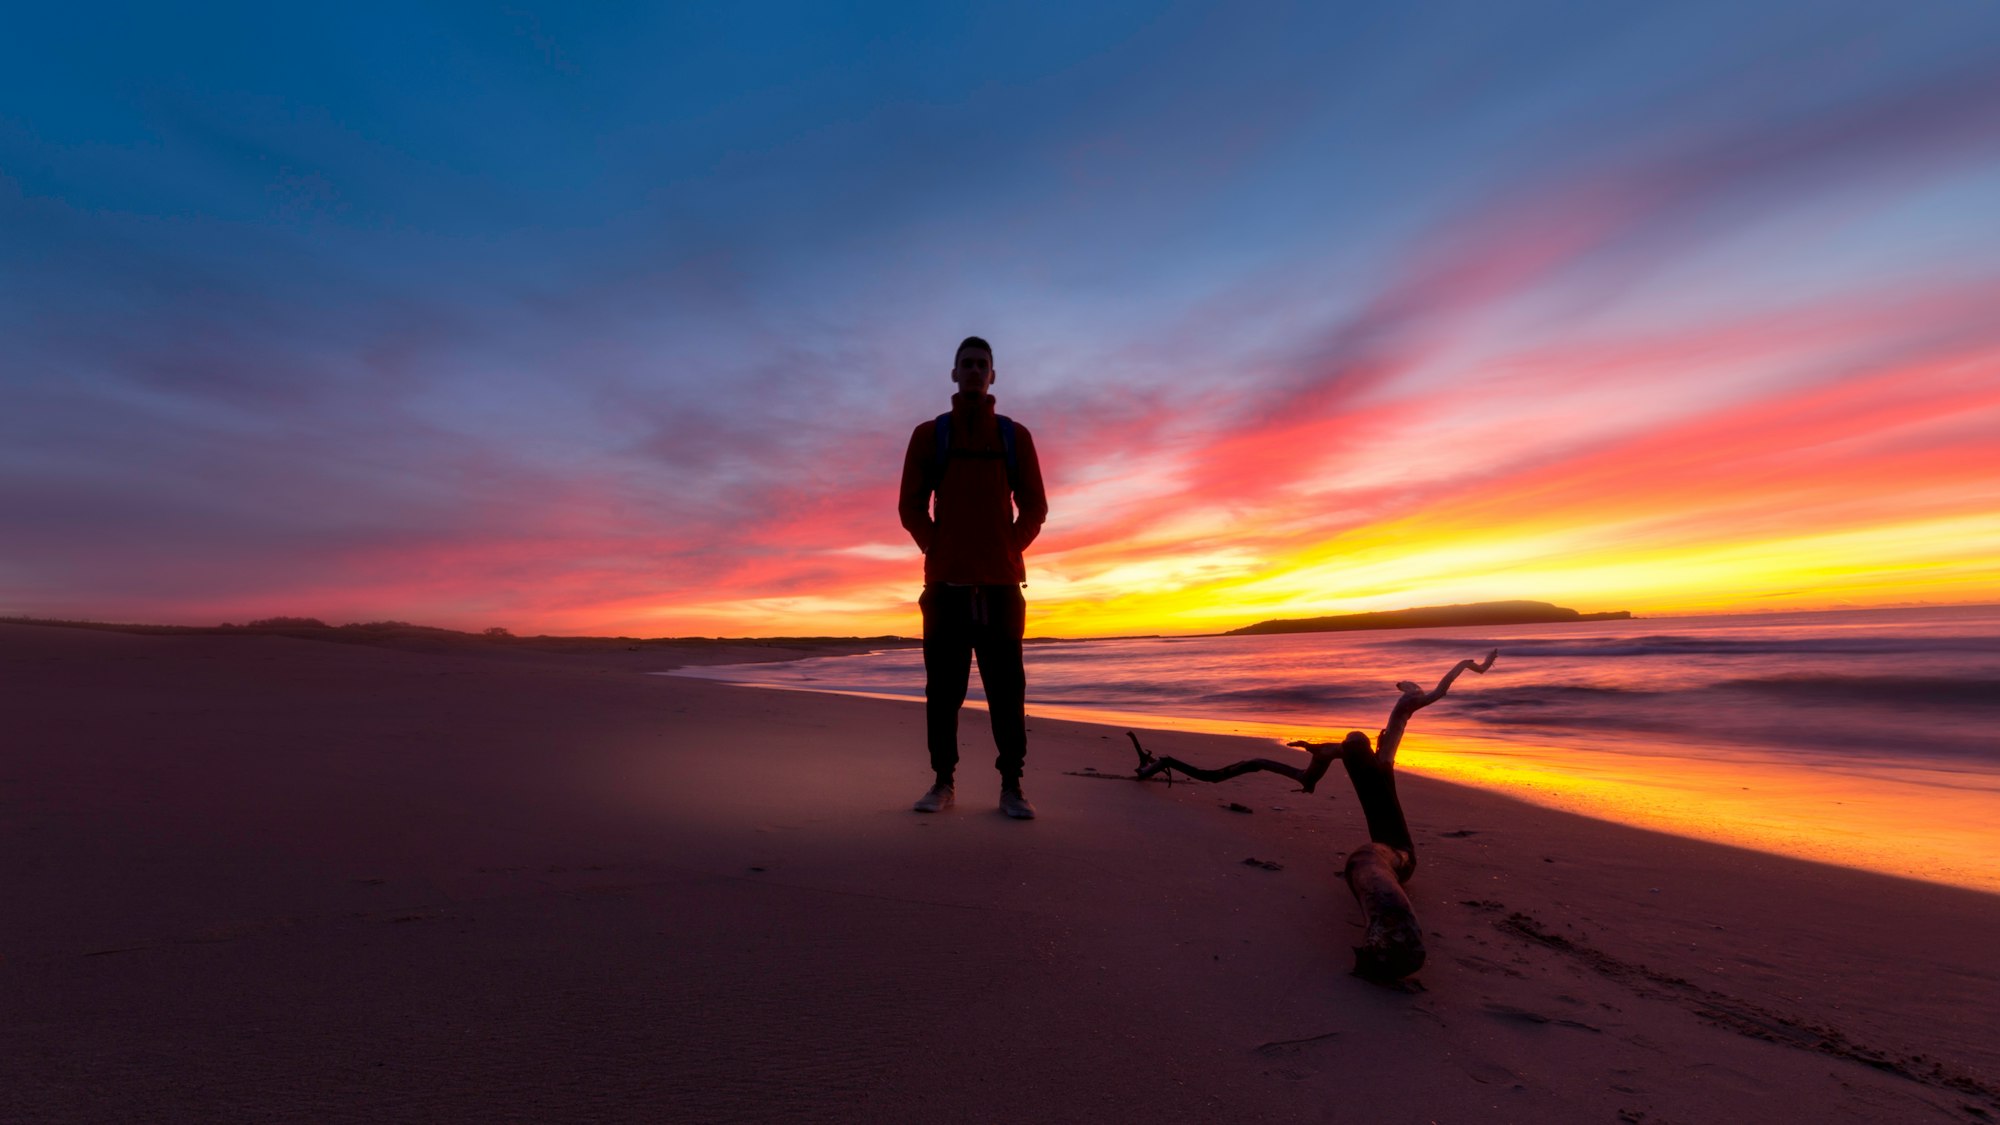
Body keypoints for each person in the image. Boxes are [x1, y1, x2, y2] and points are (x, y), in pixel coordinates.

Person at [897, 336, 1049, 819]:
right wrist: (937, 547)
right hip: (945, 588)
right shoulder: (930, 434)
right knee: (943, 693)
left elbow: (1036, 506)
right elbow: (910, 506)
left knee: (1008, 692)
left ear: (993, 376)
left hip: (1002, 589)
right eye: (967, 364)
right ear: (954, 373)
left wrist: (1007, 547)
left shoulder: (1013, 435)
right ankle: (943, 782)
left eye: (983, 364)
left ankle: (1012, 786)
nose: (975, 371)